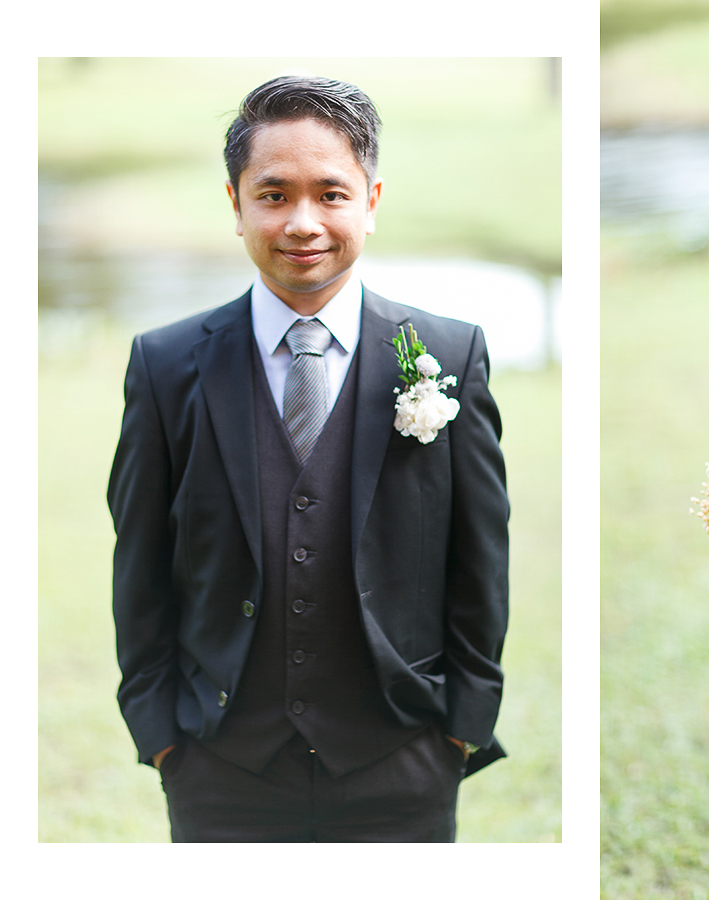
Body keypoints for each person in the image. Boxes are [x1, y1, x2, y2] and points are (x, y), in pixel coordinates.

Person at [107, 75, 509, 842]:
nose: (302, 222)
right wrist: (161, 736)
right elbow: (140, 565)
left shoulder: (449, 354)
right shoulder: (165, 367)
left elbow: (481, 556)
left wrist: (461, 725)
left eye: (330, 193)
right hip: (220, 766)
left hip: (404, 756)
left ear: (372, 200)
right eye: (272, 194)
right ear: (234, 204)